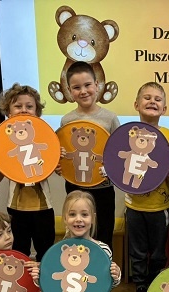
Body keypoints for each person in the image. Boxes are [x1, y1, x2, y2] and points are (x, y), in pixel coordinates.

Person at [45, 191, 122, 292]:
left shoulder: (102, 250)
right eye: (72, 214)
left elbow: (104, 286)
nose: (78, 219)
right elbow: (51, 284)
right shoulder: (57, 251)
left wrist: (116, 276)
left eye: (84, 214)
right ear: (65, 218)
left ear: (92, 218)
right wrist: (38, 277)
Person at [124, 82, 169, 292]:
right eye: (147, 98)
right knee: (136, 250)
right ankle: (140, 286)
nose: (152, 102)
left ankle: (155, 284)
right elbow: (120, 164)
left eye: (157, 99)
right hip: (134, 205)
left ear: (164, 109)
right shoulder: (127, 133)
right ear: (136, 104)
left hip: (159, 205)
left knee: (158, 251)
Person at [60, 61, 120, 248]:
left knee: (104, 234)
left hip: (103, 188)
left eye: (87, 85)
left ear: (97, 85)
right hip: (75, 186)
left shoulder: (110, 118)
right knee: (77, 232)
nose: (83, 91)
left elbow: (118, 153)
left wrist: (112, 170)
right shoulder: (67, 120)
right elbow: (64, 153)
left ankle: (104, 265)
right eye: (76, 87)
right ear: (69, 91)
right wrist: (59, 163)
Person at [0, 84, 55, 261]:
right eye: (18, 106)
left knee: (45, 248)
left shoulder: (45, 137)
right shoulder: (3, 140)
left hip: (43, 206)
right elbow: (2, 164)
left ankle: (44, 277)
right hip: (16, 206)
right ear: (8, 112)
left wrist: (57, 157)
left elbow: (51, 159)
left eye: (29, 106)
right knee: (19, 249)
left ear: (37, 112)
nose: (23, 110)